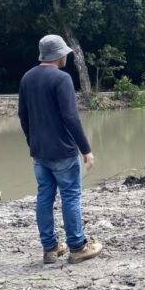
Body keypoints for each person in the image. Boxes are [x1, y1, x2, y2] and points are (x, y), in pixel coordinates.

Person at [18, 35, 103, 264]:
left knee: (44, 197)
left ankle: (50, 247)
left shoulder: (27, 78)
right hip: (63, 151)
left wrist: (32, 143)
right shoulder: (61, 78)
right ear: (58, 55)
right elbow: (70, 117)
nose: (66, 56)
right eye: (65, 52)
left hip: (39, 152)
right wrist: (86, 149)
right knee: (71, 196)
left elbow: (23, 116)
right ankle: (77, 246)